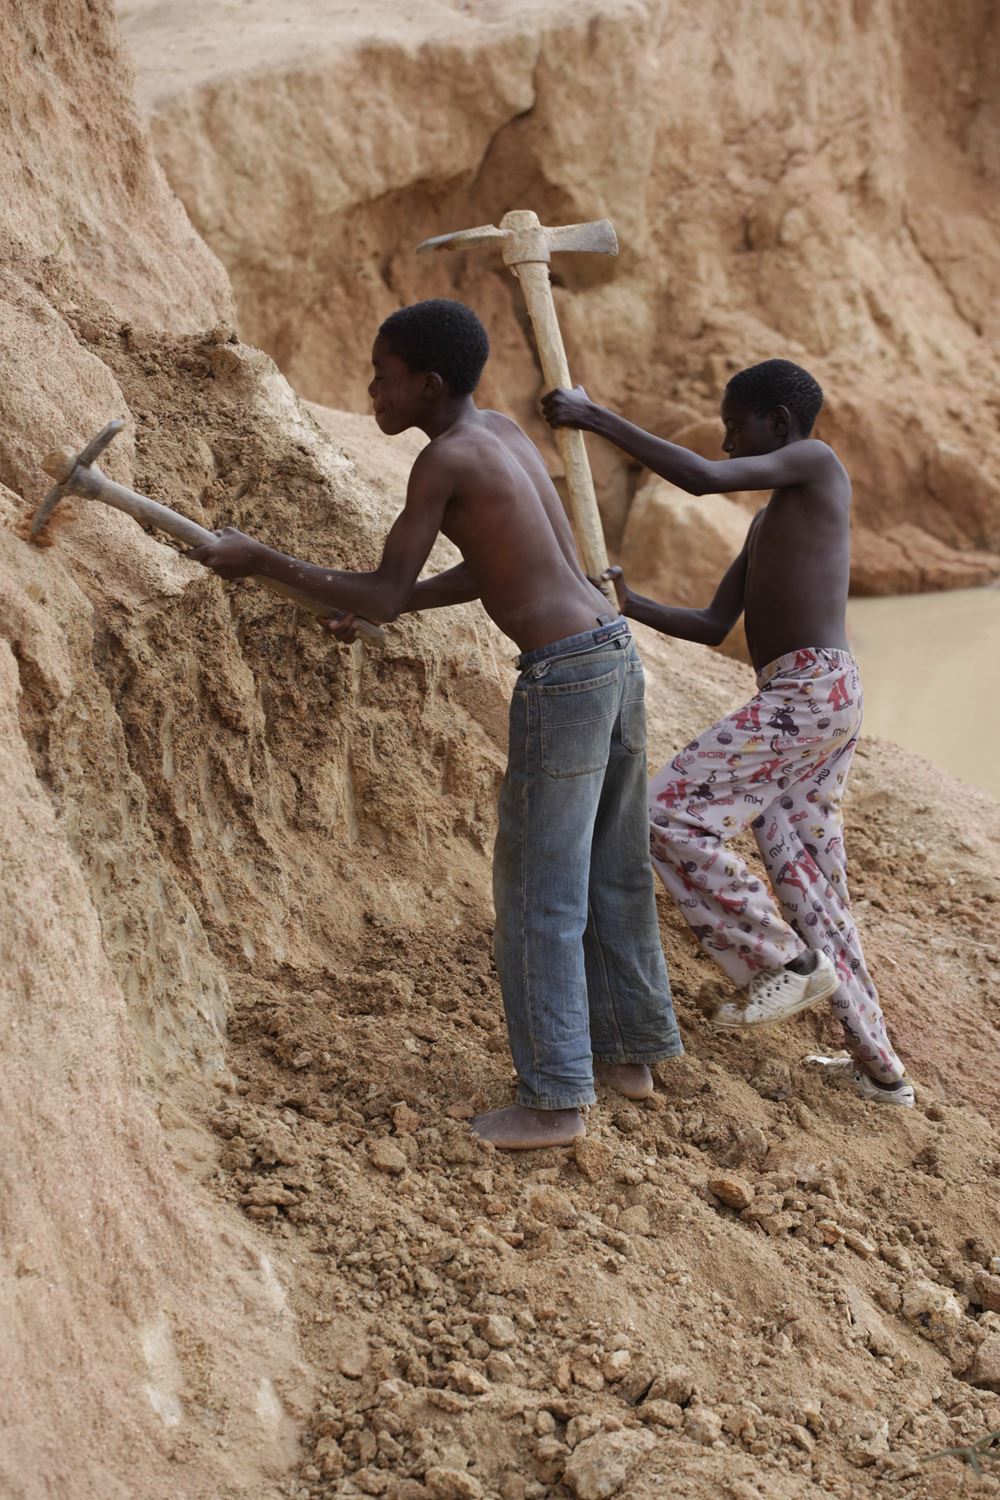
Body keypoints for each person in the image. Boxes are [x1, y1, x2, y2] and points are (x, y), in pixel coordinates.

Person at [188, 298, 683, 1148]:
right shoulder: (500, 435)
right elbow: (509, 562)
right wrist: (403, 602)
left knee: (536, 892)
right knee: (613, 866)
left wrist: (258, 559)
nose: (371, 391)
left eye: (382, 379)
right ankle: (629, 1051)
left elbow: (380, 588)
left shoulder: (444, 460)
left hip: (564, 678)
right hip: (611, 653)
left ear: (427, 383)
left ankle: (555, 1100)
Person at [542, 359, 913, 1106]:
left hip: (812, 689)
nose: (726, 438)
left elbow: (703, 479)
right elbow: (713, 625)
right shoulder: (773, 522)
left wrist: (595, 416)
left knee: (666, 812)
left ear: (778, 422)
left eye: (734, 425)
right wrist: (626, 601)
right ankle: (883, 1070)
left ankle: (783, 961)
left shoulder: (818, 462)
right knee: (809, 877)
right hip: (807, 697)